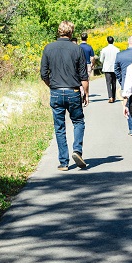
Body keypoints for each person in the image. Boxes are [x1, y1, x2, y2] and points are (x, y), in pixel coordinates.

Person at [40, 21, 90, 171]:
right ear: (71, 32)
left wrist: (53, 86)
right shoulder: (77, 49)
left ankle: (63, 162)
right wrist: (86, 93)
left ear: (59, 31)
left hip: (56, 91)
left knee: (59, 127)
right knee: (78, 122)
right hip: (73, 91)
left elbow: (43, 74)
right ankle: (77, 150)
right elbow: (84, 75)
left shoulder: (48, 48)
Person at [114, 35, 132, 136]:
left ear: (128, 42)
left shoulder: (120, 55)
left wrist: (121, 81)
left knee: (128, 105)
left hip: (126, 83)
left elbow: (116, 70)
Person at [98, 36, 120, 103]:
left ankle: (110, 97)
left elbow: (101, 60)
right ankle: (114, 96)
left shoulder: (104, 49)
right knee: (114, 82)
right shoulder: (117, 49)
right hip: (114, 67)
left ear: (107, 41)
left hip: (107, 68)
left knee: (108, 83)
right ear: (113, 41)